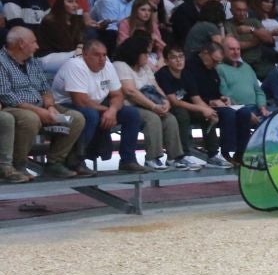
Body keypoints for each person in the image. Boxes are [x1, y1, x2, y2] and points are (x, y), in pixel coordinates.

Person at [0, 26, 88, 178]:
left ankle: (55, 162)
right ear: (21, 44)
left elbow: (45, 89)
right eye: (33, 42)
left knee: (74, 118)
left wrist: (50, 107)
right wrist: (38, 111)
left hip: (43, 109)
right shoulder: (1, 62)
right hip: (14, 109)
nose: (37, 46)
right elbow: (6, 95)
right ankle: (19, 165)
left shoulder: (33, 62)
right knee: (30, 118)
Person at [56, 37, 151, 172]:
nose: (102, 59)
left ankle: (128, 160)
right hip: (64, 108)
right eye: (97, 55)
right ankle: (76, 160)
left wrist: (112, 111)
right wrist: (107, 110)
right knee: (90, 115)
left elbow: (118, 95)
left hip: (96, 106)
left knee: (131, 114)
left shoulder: (108, 65)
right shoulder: (75, 65)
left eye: (104, 55)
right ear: (85, 55)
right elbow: (80, 101)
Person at [111, 35, 199, 169]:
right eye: (146, 53)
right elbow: (130, 92)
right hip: (129, 106)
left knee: (170, 118)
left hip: (149, 105)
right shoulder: (120, 65)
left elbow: (155, 86)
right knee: (152, 118)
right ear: (136, 52)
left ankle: (175, 157)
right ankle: (152, 158)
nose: (148, 56)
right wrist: (153, 106)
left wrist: (165, 102)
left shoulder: (145, 67)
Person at [179, 42, 245, 166]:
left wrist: (222, 98)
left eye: (218, 62)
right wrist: (210, 103)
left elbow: (214, 91)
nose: (216, 64)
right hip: (192, 104)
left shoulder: (212, 69)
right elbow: (191, 95)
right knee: (226, 114)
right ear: (205, 53)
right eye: (214, 60)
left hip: (209, 103)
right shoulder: (190, 66)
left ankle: (239, 153)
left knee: (243, 113)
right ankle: (221, 153)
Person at [157, 44, 223, 164]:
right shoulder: (163, 74)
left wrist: (209, 111)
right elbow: (174, 101)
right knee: (182, 114)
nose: (178, 60)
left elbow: (196, 99)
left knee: (207, 115)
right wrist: (202, 109)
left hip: (183, 106)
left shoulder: (187, 74)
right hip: (165, 108)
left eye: (181, 57)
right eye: (174, 57)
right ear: (166, 61)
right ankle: (184, 154)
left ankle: (213, 154)